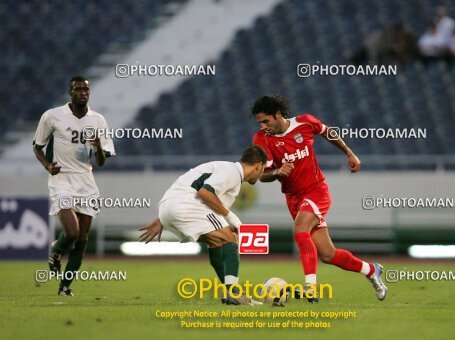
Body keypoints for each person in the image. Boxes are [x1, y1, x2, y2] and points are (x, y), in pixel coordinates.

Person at [251, 95, 387, 303]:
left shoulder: (305, 122)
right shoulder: (261, 139)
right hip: (293, 198)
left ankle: (311, 288)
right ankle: (370, 269)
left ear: (278, 114)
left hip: (316, 191)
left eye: (265, 121)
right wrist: (277, 172)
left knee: (300, 230)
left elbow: (328, 132)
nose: (263, 126)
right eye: (259, 122)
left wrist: (349, 153)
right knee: (328, 255)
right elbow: (261, 175)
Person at [139, 145, 268, 306]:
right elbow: (205, 193)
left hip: (170, 206)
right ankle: (234, 292)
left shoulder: (226, 170)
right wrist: (232, 218)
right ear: (258, 166)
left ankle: (232, 292)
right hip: (186, 205)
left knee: (216, 242)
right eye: (263, 169)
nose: (262, 173)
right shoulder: (233, 172)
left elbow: (191, 189)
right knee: (229, 238)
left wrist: (161, 219)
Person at [33, 75, 115, 296]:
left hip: (86, 181)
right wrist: (47, 166)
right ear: (70, 92)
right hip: (62, 179)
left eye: (86, 90)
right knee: (71, 232)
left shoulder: (98, 120)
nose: (83, 93)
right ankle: (55, 251)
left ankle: (65, 286)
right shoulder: (53, 116)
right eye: (78, 89)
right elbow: (37, 146)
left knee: (82, 240)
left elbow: (100, 161)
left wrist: (98, 147)